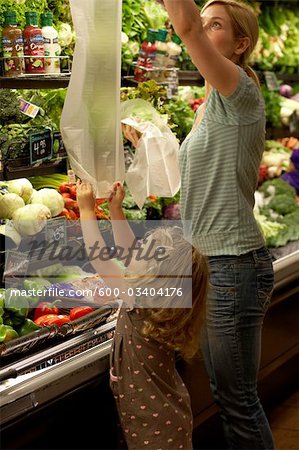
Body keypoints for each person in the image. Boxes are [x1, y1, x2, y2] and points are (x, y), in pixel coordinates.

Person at [122, 0, 275, 448]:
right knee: (233, 400)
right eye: (204, 23)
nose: (203, 32)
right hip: (213, 263)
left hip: (231, 264)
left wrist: (191, 24)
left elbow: (185, 26)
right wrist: (150, 138)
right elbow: (191, 175)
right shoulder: (213, 102)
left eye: (216, 26)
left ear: (240, 44)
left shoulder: (239, 89)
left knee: (239, 403)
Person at [76, 179, 209, 450]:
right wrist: (116, 210)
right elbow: (130, 254)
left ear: (153, 278)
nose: (136, 252)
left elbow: (100, 258)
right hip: (168, 415)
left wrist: (87, 211)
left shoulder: (139, 303)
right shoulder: (165, 304)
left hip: (152, 427)